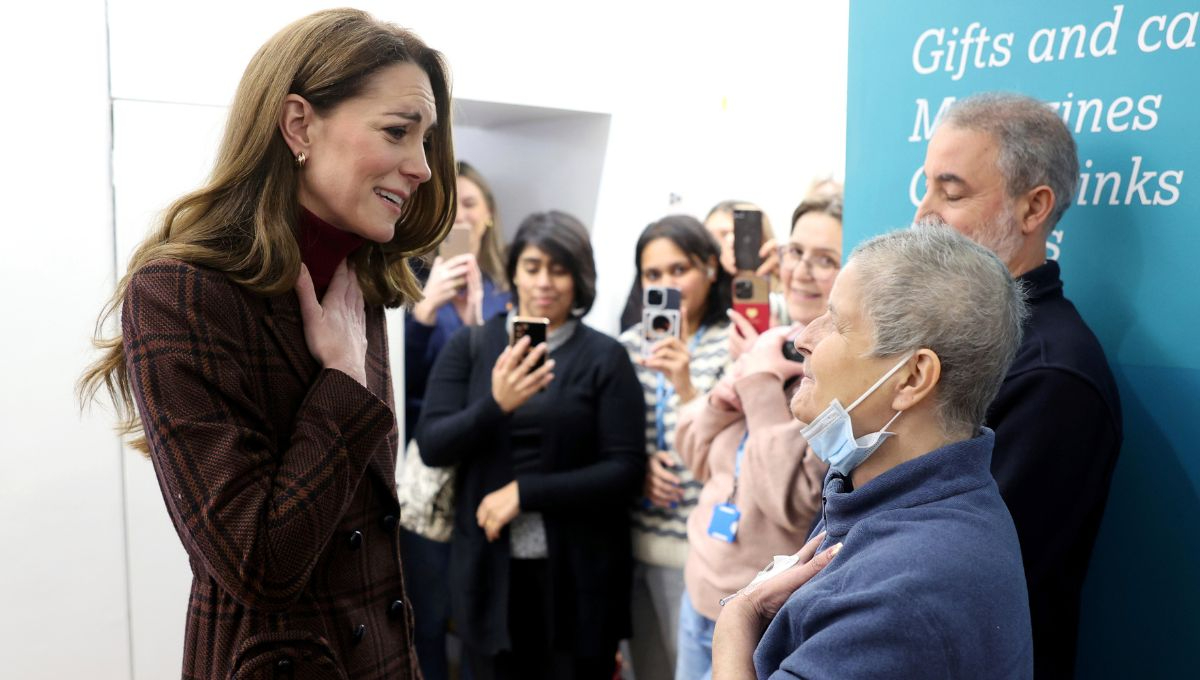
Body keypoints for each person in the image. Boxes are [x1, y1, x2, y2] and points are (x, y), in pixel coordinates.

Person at [77, 9, 454, 679]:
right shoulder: (180, 292)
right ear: (298, 124)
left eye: (426, 140)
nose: (422, 167)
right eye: (398, 132)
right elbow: (256, 564)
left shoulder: (356, 281)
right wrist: (339, 382)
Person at [712, 223, 1033, 679]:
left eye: (837, 324)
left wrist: (734, 624)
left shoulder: (904, 593)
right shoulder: (879, 492)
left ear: (912, 378)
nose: (803, 337)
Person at [915, 92, 1123, 678]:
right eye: (926, 187)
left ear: (1033, 209)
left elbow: (963, 571)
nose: (924, 213)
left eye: (951, 193)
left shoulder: (1054, 375)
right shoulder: (961, 335)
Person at [416, 211, 645, 680]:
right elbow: (432, 445)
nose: (544, 282)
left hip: (580, 579)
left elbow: (624, 471)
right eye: (533, 266)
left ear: (579, 278)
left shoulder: (604, 357)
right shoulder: (472, 346)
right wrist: (495, 404)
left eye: (559, 269)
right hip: (489, 574)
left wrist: (525, 492)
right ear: (515, 269)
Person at [673, 192, 843, 680]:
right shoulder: (762, 340)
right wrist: (722, 397)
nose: (803, 271)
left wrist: (760, 387)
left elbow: (788, 500)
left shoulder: (833, 372)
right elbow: (697, 458)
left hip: (760, 611)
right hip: (700, 587)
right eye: (796, 252)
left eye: (826, 259)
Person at [400, 160, 510, 680]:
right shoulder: (409, 289)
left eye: (469, 204)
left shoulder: (509, 296)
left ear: (487, 216)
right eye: (448, 206)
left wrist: (480, 333)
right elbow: (399, 388)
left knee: (477, 612)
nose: (459, 216)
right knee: (423, 608)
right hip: (428, 473)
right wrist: (422, 318)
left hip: (490, 473)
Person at [618, 215, 733, 680]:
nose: (667, 284)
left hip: (706, 551)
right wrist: (639, 467)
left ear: (709, 267)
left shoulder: (736, 345)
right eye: (653, 275)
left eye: (678, 270)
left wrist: (686, 387)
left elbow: (736, 450)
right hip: (635, 542)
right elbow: (612, 443)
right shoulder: (627, 348)